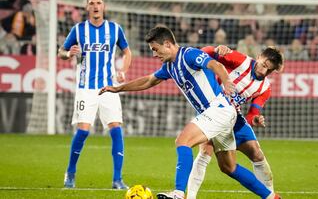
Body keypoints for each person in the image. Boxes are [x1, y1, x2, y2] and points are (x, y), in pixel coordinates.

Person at [100, 25, 280, 199]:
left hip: (219, 109)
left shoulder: (189, 54)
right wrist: (118, 89)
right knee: (229, 167)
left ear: (168, 44)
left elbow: (216, 65)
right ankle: (271, 196)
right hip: (221, 114)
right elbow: (148, 81)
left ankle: (179, 193)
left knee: (182, 141)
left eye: (156, 49)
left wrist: (225, 81)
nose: (154, 54)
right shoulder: (169, 67)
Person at [187, 45, 284, 199]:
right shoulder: (241, 61)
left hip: (234, 115)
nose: (264, 72)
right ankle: (190, 197)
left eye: (269, 70)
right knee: (206, 151)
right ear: (258, 57)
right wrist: (217, 49)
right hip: (213, 108)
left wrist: (256, 119)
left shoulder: (265, 87)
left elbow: (253, 114)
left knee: (257, 154)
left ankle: (269, 193)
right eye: (264, 65)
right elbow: (206, 52)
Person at [58, 0, 132, 190]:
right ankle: (70, 173)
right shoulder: (78, 29)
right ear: (87, 7)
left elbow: (127, 52)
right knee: (83, 131)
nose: (95, 6)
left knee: (116, 129)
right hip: (86, 89)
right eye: (92, 3)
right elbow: (61, 51)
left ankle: (117, 180)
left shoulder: (115, 29)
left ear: (103, 6)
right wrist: (68, 54)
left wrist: (123, 70)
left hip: (109, 87)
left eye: (99, 2)